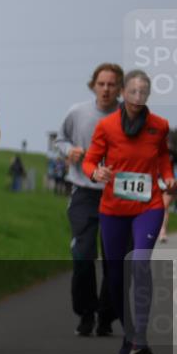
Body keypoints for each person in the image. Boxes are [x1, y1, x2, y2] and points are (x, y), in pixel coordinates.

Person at [82, 70, 176, 354]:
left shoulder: (159, 126)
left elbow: (162, 158)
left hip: (148, 206)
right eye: (132, 91)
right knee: (115, 275)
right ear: (124, 92)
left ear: (148, 95)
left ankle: (141, 335)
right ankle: (130, 335)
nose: (137, 97)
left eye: (143, 91)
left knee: (139, 261)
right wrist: (96, 172)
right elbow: (90, 161)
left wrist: (169, 178)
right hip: (113, 209)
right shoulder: (106, 126)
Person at [54, 62, 122, 337]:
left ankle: (106, 315)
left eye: (111, 84)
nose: (106, 89)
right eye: (101, 84)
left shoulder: (127, 115)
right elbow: (59, 140)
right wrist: (68, 151)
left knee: (114, 260)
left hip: (117, 196)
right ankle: (85, 313)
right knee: (82, 255)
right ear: (93, 85)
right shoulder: (77, 112)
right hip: (83, 192)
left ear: (120, 88)